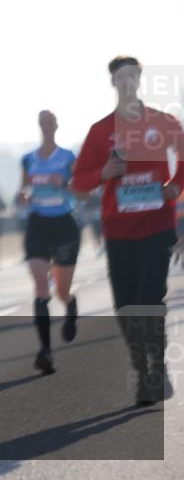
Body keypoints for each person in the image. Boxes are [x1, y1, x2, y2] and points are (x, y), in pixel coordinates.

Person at [72, 56, 182, 405]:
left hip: (157, 224)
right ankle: (141, 367)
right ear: (113, 83)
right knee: (126, 305)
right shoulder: (100, 130)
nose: (127, 82)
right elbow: (79, 182)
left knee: (149, 298)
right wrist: (103, 173)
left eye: (132, 76)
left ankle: (156, 368)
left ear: (139, 80)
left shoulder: (162, 122)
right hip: (118, 229)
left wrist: (176, 185)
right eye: (121, 77)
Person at [19, 111, 80, 375]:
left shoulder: (68, 157)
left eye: (49, 122)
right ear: (39, 126)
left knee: (61, 291)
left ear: (56, 126)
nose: (46, 126)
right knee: (41, 286)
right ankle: (45, 351)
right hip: (38, 225)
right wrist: (23, 196)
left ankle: (70, 306)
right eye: (42, 123)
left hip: (64, 224)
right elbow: (24, 189)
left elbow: (82, 189)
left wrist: (64, 182)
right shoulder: (28, 159)